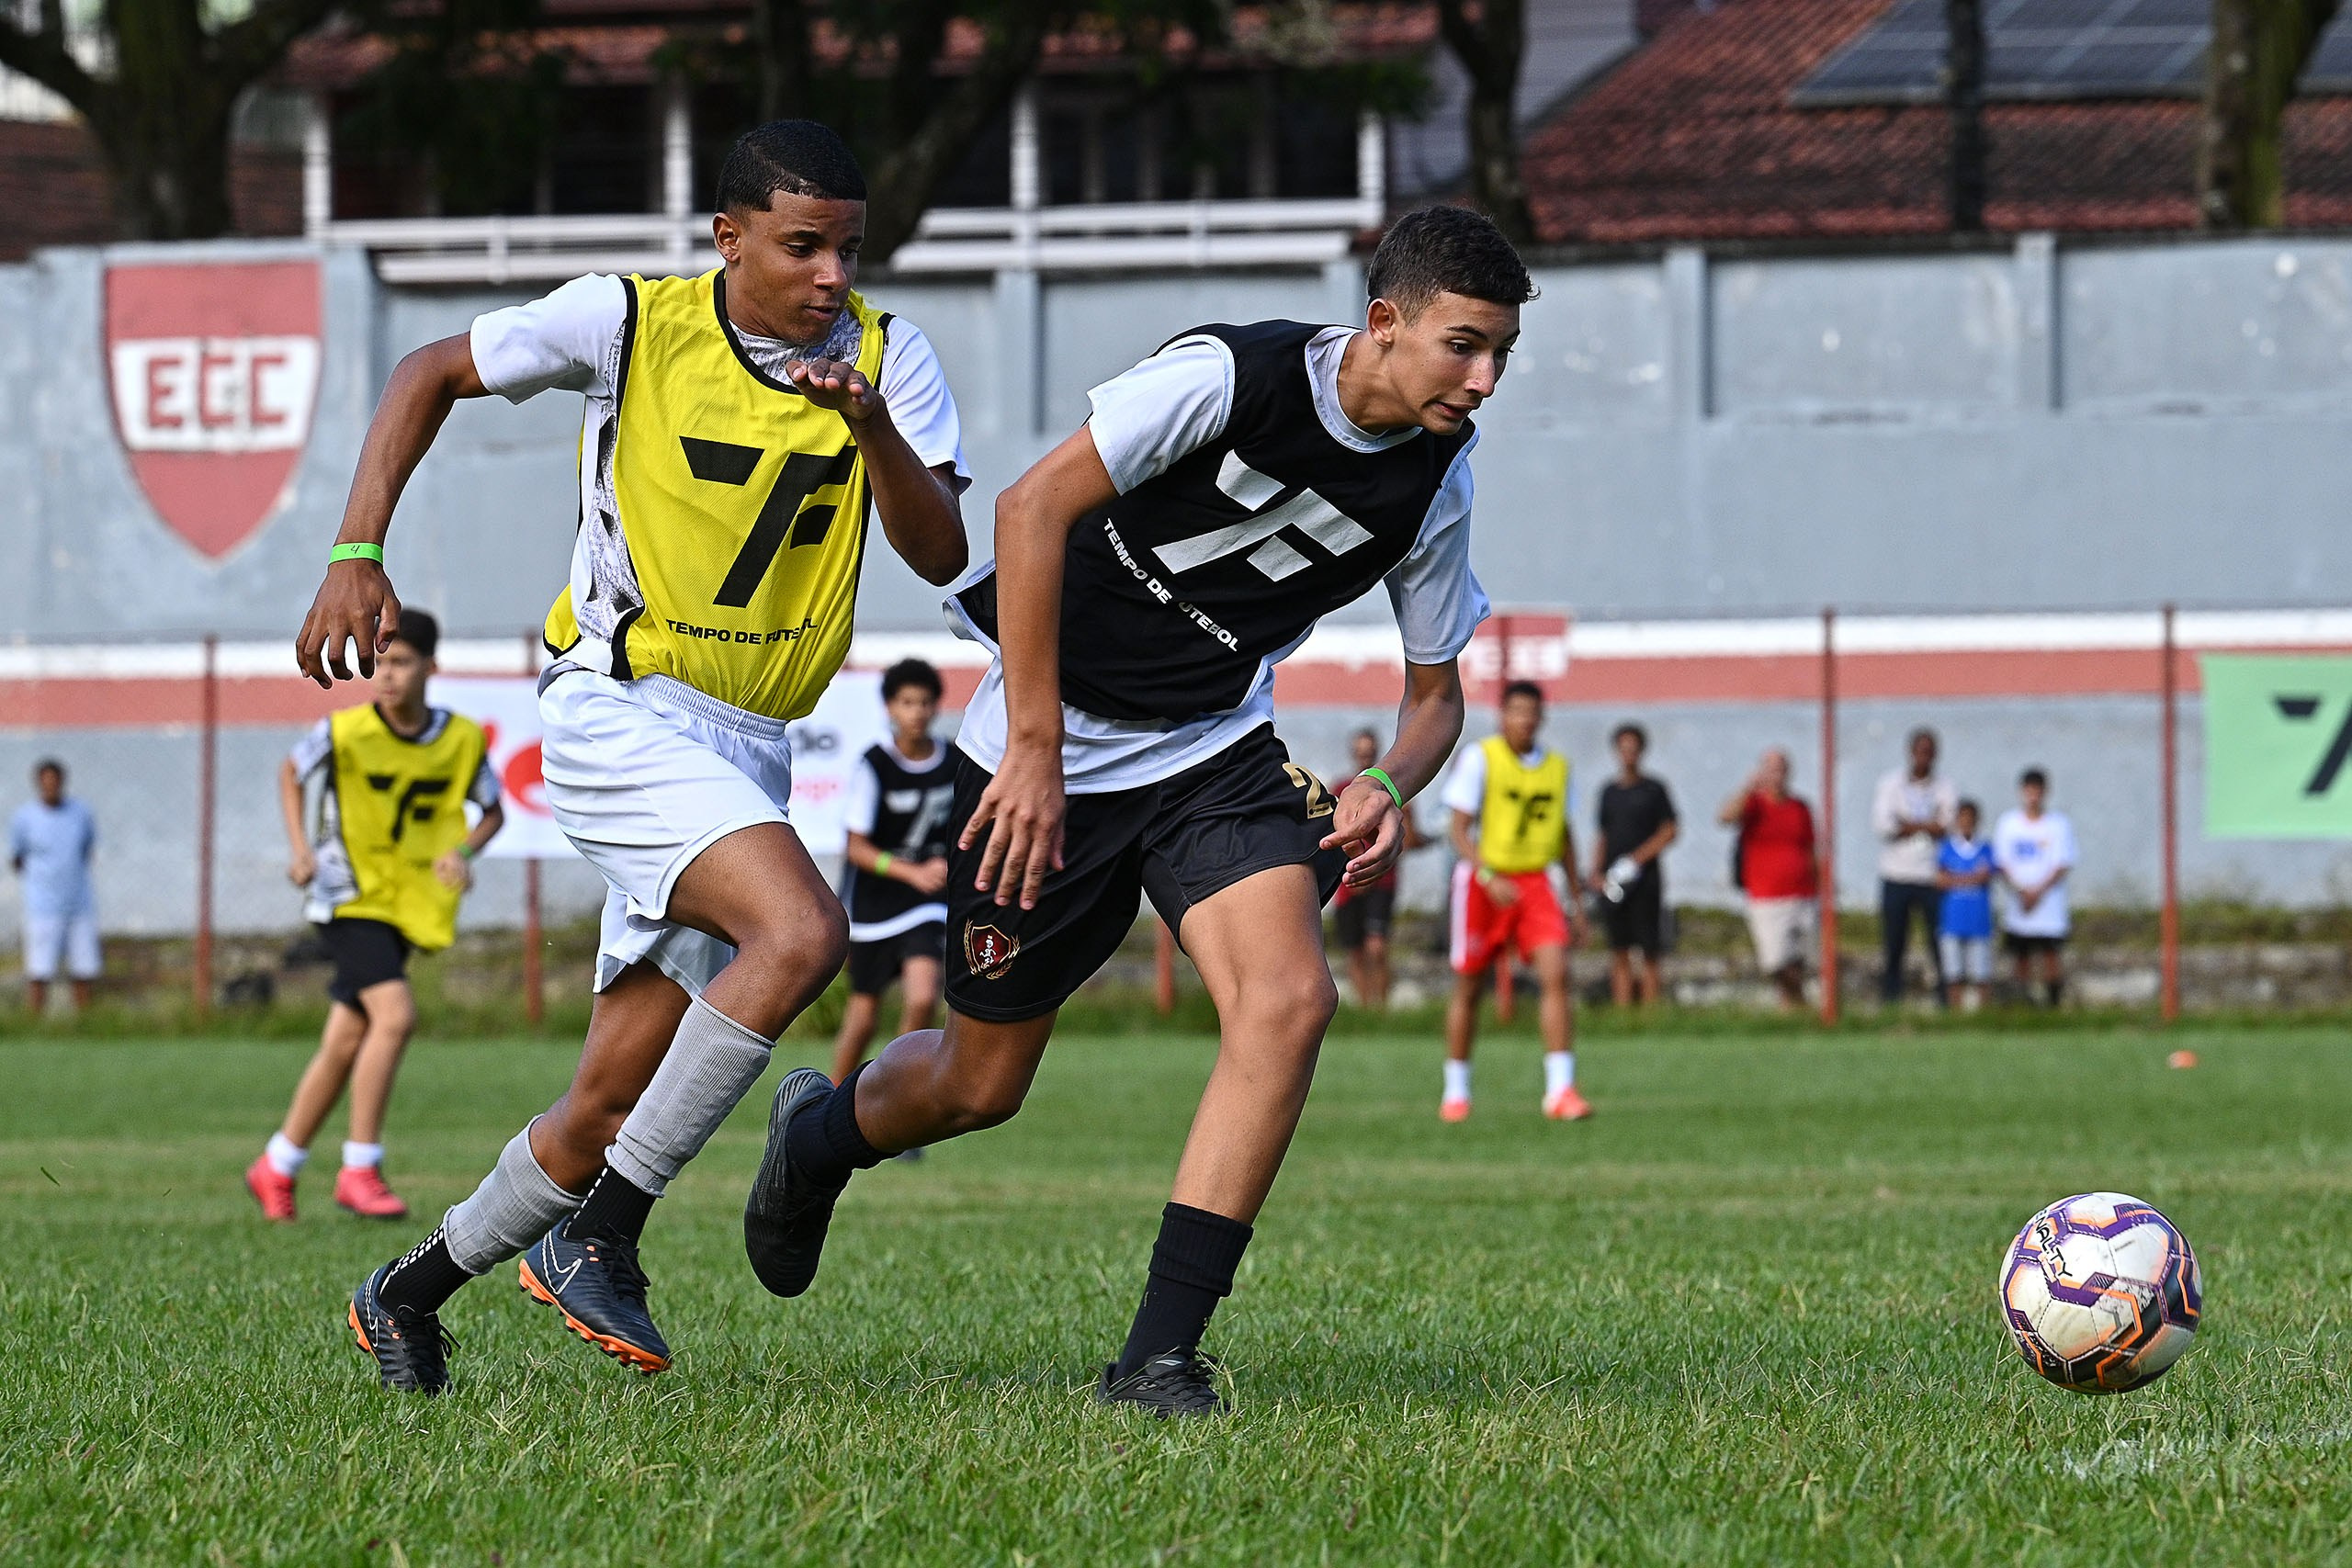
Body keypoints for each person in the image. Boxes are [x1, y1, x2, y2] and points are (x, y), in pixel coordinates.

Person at [738, 205, 1533, 1417]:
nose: (1481, 382)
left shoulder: (1436, 480)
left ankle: (1157, 1355)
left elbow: (1436, 698)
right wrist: (1041, 751)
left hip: (1211, 750)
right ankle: (820, 1136)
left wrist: (1384, 782)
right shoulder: (1229, 374)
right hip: (1040, 746)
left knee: (1290, 999)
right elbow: (1025, 510)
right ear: (1385, 321)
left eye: (1501, 359)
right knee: (980, 1080)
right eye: (1463, 347)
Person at [300, 119, 970, 1395]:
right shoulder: (627, 318)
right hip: (621, 703)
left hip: (750, 747)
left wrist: (874, 429)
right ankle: (601, 1230)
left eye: (850, 249)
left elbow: (938, 551)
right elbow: (428, 370)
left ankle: (406, 1291)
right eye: (803, 246)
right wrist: (355, 554)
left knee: (604, 1099)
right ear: (729, 238)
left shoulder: (892, 358)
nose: (834, 275)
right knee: (803, 936)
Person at [246, 608, 505, 1223]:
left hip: (407, 904)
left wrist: (463, 850)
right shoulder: (345, 729)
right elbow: (290, 769)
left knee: (346, 1039)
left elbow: (491, 808)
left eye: (402, 661)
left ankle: (277, 1163)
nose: (388, 675)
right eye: (380, 662)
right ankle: (360, 1167)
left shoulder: (462, 739)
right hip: (348, 894)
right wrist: (301, 850)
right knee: (395, 1015)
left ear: (431, 667)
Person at [1438, 680, 1589, 1122]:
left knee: (1555, 974)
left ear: (1542, 717)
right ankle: (1456, 1091)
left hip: (1538, 882)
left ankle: (1560, 1091)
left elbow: (1564, 836)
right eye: (1516, 710)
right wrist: (1486, 874)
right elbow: (1459, 829)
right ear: (1502, 715)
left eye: (1532, 711)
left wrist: (1577, 901)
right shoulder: (1481, 758)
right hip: (1486, 881)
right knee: (1469, 985)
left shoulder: (1558, 768)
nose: (1525, 719)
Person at [831, 658, 955, 1089]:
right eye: (906, 702)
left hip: (928, 906)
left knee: (923, 997)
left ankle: (895, 1098)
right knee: (863, 1018)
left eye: (924, 702)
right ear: (889, 708)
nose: (916, 712)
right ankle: (823, 1102)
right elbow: (857, 848)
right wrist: (911, 872)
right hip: (875, 906)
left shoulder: (953, 762)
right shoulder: (874, 766)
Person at [1331, 726, 1427, 1010]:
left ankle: (1381, 1007)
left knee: (1377, 947)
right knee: (1356, 950)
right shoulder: (1340, 789)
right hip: (1350, 880)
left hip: (1381, 879)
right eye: (1361, 753)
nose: (1364, 758)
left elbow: (1409, 836)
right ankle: (1365, 1009)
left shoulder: (1394, 794)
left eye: (1369, 753)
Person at [1717, 747, 1816, 1010]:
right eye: (1771, 769)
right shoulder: (1753, 804)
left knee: (1800, 959)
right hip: (1766, 895)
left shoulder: (1800, 807)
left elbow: (1810, 848)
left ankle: (1791, 1010)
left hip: (1803, 893)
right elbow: (1725, 817)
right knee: (1775, 961)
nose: (1777, 775)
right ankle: (1799, 1004)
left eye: (1781, 768)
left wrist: (1822, 883)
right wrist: (1748, 788)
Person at [1592, 722, 1678, 1005]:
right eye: (1623, 748)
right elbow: (1603, 833)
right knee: (1619, 948)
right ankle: (1623, 1010)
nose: (1628, 753)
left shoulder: (1654, 790)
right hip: (1615, 882)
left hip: (1645, 880)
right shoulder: (1609, 792)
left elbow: (1669, 831)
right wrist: (1597, 870)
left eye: (1633, 748)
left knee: (1649, 948)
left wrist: (1636, 860)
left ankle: (1650, 1011)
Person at [1871, 727, 1956, 1005]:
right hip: (1896, 874)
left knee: (1938, 943)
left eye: (1929, 752)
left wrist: (1907, 823)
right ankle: (1891, 1000)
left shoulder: (1945, 786)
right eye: (1920, 751)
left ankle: (1944, 1000)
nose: (1924, 757)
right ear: (1911, 752)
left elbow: (1948, 825)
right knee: (1895, 943)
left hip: (1931, 875)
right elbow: (1884, 825)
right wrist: (1924, 825)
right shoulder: (1891, 784)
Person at [9, 759, 98, 1015]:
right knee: (40, 968)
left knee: (83, 967)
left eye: (54, 782)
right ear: (38, 784)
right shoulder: (24, 818)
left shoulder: (80, 813)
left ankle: (86, 1021)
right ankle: (35, 1021)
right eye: (45, 782)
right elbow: (18, 857)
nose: (50, 787)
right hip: (43, 906)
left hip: (78, 903)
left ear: (62, 783)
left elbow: (87, 850)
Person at [1994, 769, 2076, 1008]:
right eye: (2029, 790)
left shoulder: (2058, 825)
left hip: (2048, 905)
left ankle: (2052, 1004)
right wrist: (2022, 892)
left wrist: (2037, 892)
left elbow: (2062, 864)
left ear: (2045, 792)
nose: (2033, 796)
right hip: (2019, 905)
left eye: (2037, 790)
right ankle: (2023, 1005)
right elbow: (2002, 863)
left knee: (2051, 955)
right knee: (2021, 956)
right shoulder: (2009, 823)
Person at [1937, 798, 1996, 1012]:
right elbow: (1941, 880)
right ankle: (1956, 1015)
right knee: (1954, 974)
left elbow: (1986, 876)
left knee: (1982, 975)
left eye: (1970, 819)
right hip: (1953, 921)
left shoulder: (1986, 848)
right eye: (1962, 818)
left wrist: (1956, 878)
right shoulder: (1946, 848)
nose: (1966, 823)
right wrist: (1971, 877)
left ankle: (1984, 1016)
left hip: (1979, 921)